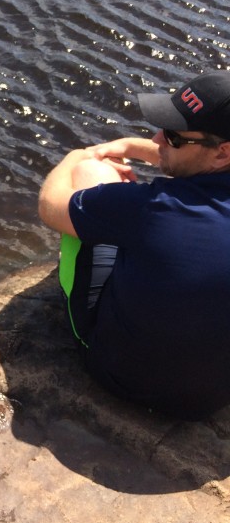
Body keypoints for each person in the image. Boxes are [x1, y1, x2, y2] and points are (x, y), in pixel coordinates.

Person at [37, 73, 230, 418]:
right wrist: (129, 146)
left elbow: (50, 206)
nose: (157, 138)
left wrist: (77, 154)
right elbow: (194, 167)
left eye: (172, 136)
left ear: (222, 153)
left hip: (124, 378)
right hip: (211, 401)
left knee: (89, 174)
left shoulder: (154, 208)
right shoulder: (202, 175)